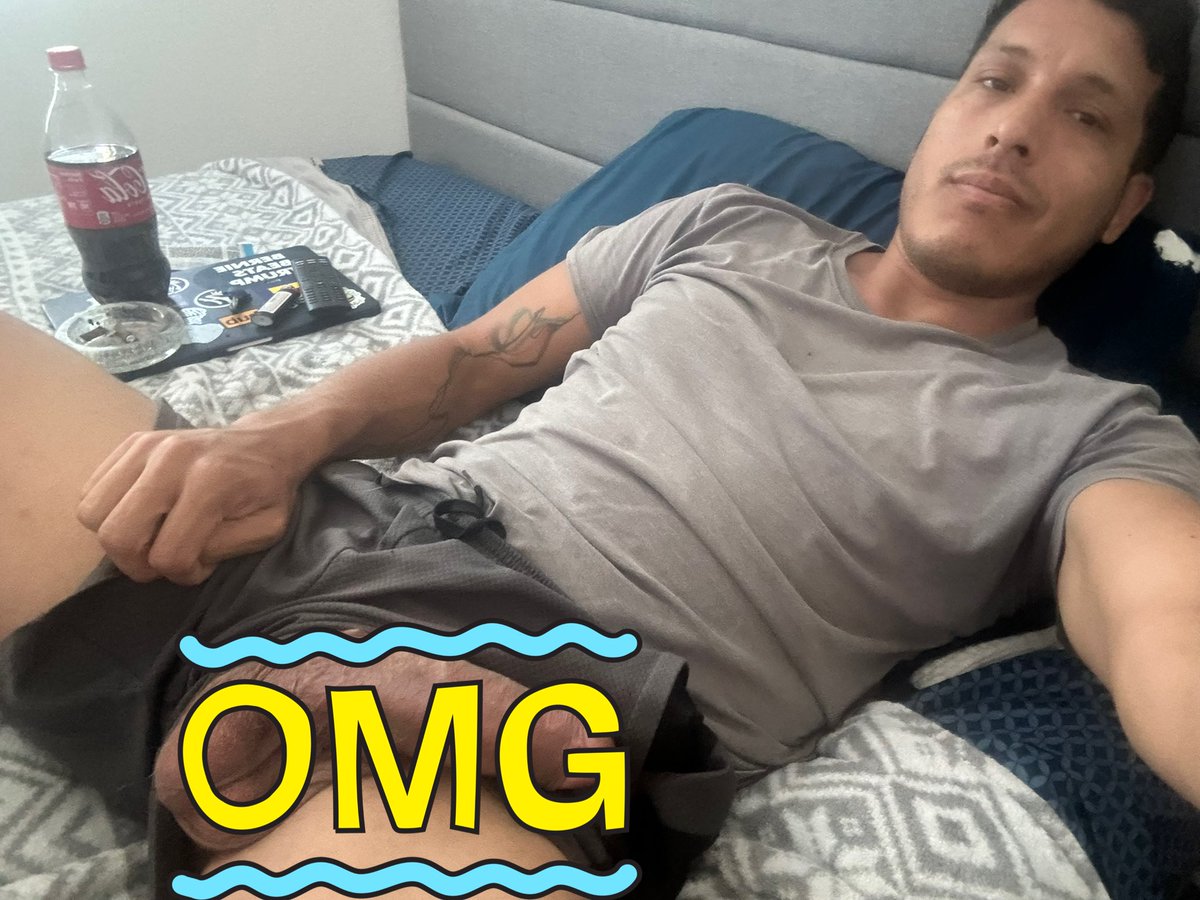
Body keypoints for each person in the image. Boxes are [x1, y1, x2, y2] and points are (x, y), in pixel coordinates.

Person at [2, 0, 1199, 895]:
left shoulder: (1091, 432)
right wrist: (270, 439)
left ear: (1123, 205)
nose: (1014, 131)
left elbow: (1167, 619)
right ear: (943, 112)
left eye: (1083, 115)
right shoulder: (727, 224)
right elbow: (464, 365)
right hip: (331, 531)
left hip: (516, 702)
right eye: (996, 82)